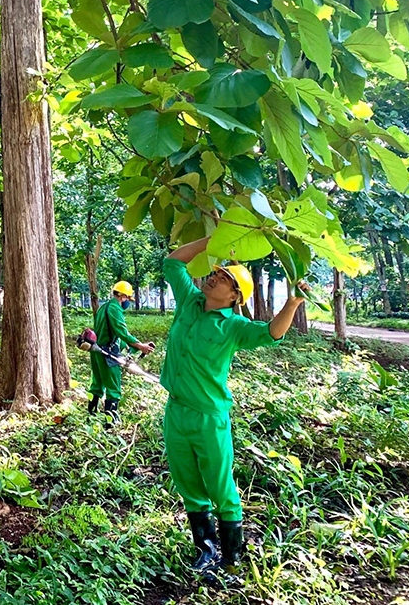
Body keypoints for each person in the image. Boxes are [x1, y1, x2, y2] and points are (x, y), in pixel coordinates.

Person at [159, 235, 306, 580]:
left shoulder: (234, 327)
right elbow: (172, 263)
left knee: (220, 485)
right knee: (188, 483)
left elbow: (272, 332)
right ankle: (205, 551)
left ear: (234, 296)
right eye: (217, 273)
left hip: (210, 416)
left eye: (225, 279)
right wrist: (211, 240)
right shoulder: (189, 302)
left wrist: (293, 302)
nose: (215, 277)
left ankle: (232, 556)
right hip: (176, 411)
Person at [88, 280, 155, 422]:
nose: (127, 302)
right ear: (122, 296)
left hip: (96, 350)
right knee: (113, 387)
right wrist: (141, 346)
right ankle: (111, 422)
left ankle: (91, 416)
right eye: (128, 299)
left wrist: (136, 346)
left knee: (97, 384)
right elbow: (122, 332)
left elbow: (116, 336)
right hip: (107, 353)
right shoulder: (114, 309)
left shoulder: (103, 307)